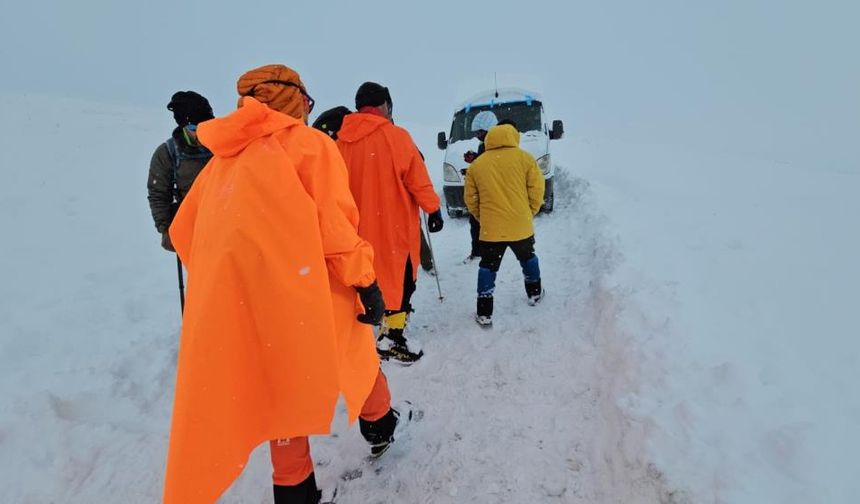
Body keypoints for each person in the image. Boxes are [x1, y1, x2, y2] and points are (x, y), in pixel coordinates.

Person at [164, 64, 406, 504]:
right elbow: (334, 228)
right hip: (314, 288)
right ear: (294, 99)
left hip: (257, 302)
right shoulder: (310, 146)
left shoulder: (223, 160)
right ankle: (380, 424)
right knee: (355, 353)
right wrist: (365, 281)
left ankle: (295, 491)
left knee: (283, 390)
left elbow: (187, 233)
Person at [336, 82, 443, 363]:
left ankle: (381, 328)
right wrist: (433, 209)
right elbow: (418, 180)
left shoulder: (341, 142)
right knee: (401, 283)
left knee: (372, 281)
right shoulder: (396, 137)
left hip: (356, 231)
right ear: (384, 105)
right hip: (393, 229)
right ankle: (392, 339)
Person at [312, 106, 436, 275]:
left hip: (376, 205)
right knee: (403, 230)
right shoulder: (374, 135)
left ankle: (419, 262)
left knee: (399, 232)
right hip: (388, 202)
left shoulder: (351, 140)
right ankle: (419, 263)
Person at [464, 123, 546, 326]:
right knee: (528, 258)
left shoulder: (478, 165)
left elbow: (470, 198)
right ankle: (534, 293)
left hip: (491, 230)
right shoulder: (525, 159)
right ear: (513, 136)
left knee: (487, 268)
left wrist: (483, 218)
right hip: (521, 225)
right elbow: (537, 189)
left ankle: (484, 313)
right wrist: (529, 212)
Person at [147, 91, 214, 251]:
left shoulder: (225, 144)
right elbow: (159, 194)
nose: (200, 130)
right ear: (183, 126)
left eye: (206, 124)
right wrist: (166, 230)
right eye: (194, 127)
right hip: (192, 227)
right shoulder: (168, 153)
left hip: (226, 223)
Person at [462, 110, 498, 263]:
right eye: (476, 132)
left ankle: (490, 253)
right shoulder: (484, 145)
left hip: (493, 192)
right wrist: (473, 163)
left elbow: (494, 166)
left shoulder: (497, 146)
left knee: (484, 223)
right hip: (483, 190)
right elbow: (485, 164)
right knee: (475, 222)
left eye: (480, 132)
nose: (477, 135)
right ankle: (478, 252)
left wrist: (475, 165)